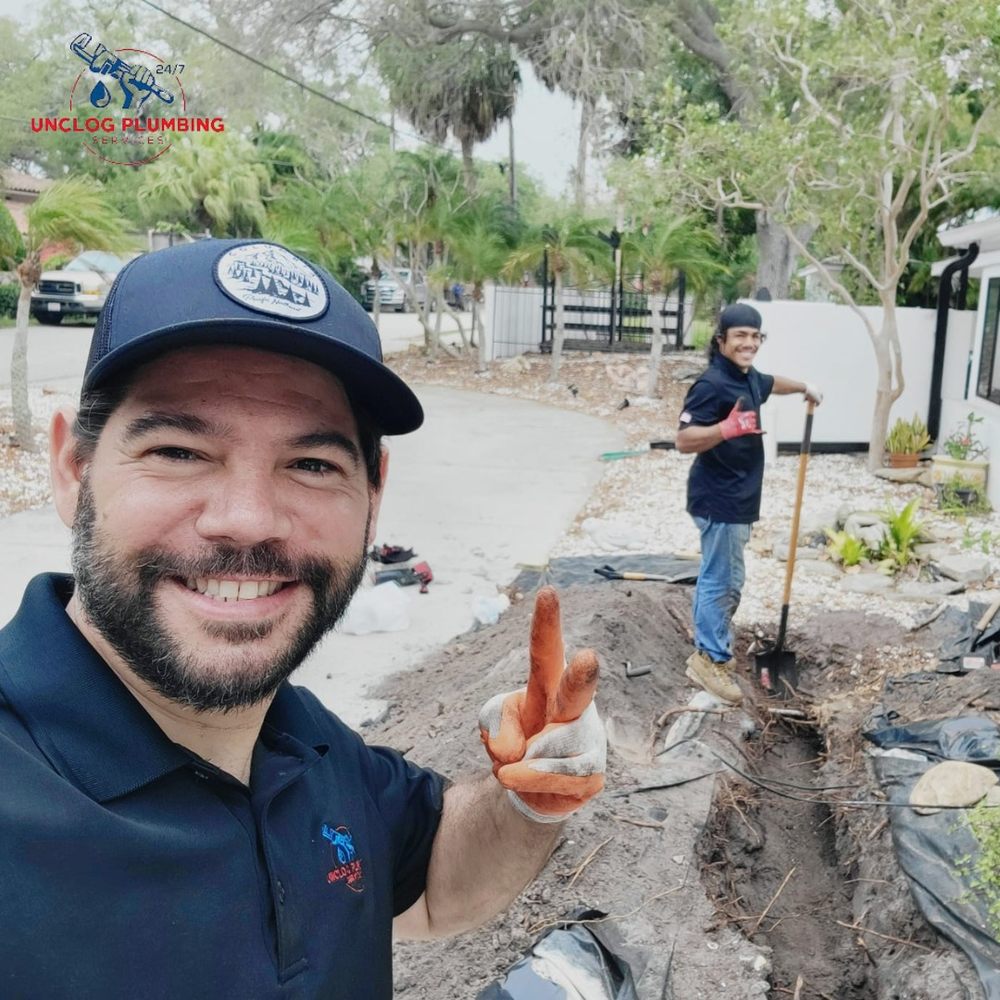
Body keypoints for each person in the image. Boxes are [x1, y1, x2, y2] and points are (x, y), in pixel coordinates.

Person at [0, 239, 606, 998]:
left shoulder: (303, 739)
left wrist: (529, 799)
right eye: (179, 450)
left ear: (373, 497)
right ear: (72, 469)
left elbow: (433, 883)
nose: (248, 520)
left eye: (312, 465)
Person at [675, 303, 822, 704]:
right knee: (721, 581)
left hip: (738, 500)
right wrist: (725, 428)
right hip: (719, 499)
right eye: (740, 335)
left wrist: (805, 387)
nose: (749, 343)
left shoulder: (748, 377)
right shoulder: (711, 384)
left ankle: (714, 649)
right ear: (721, 340)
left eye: (755, 336)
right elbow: (683, 439)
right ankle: (710, 660)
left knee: (728, 578)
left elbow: (772, 383)